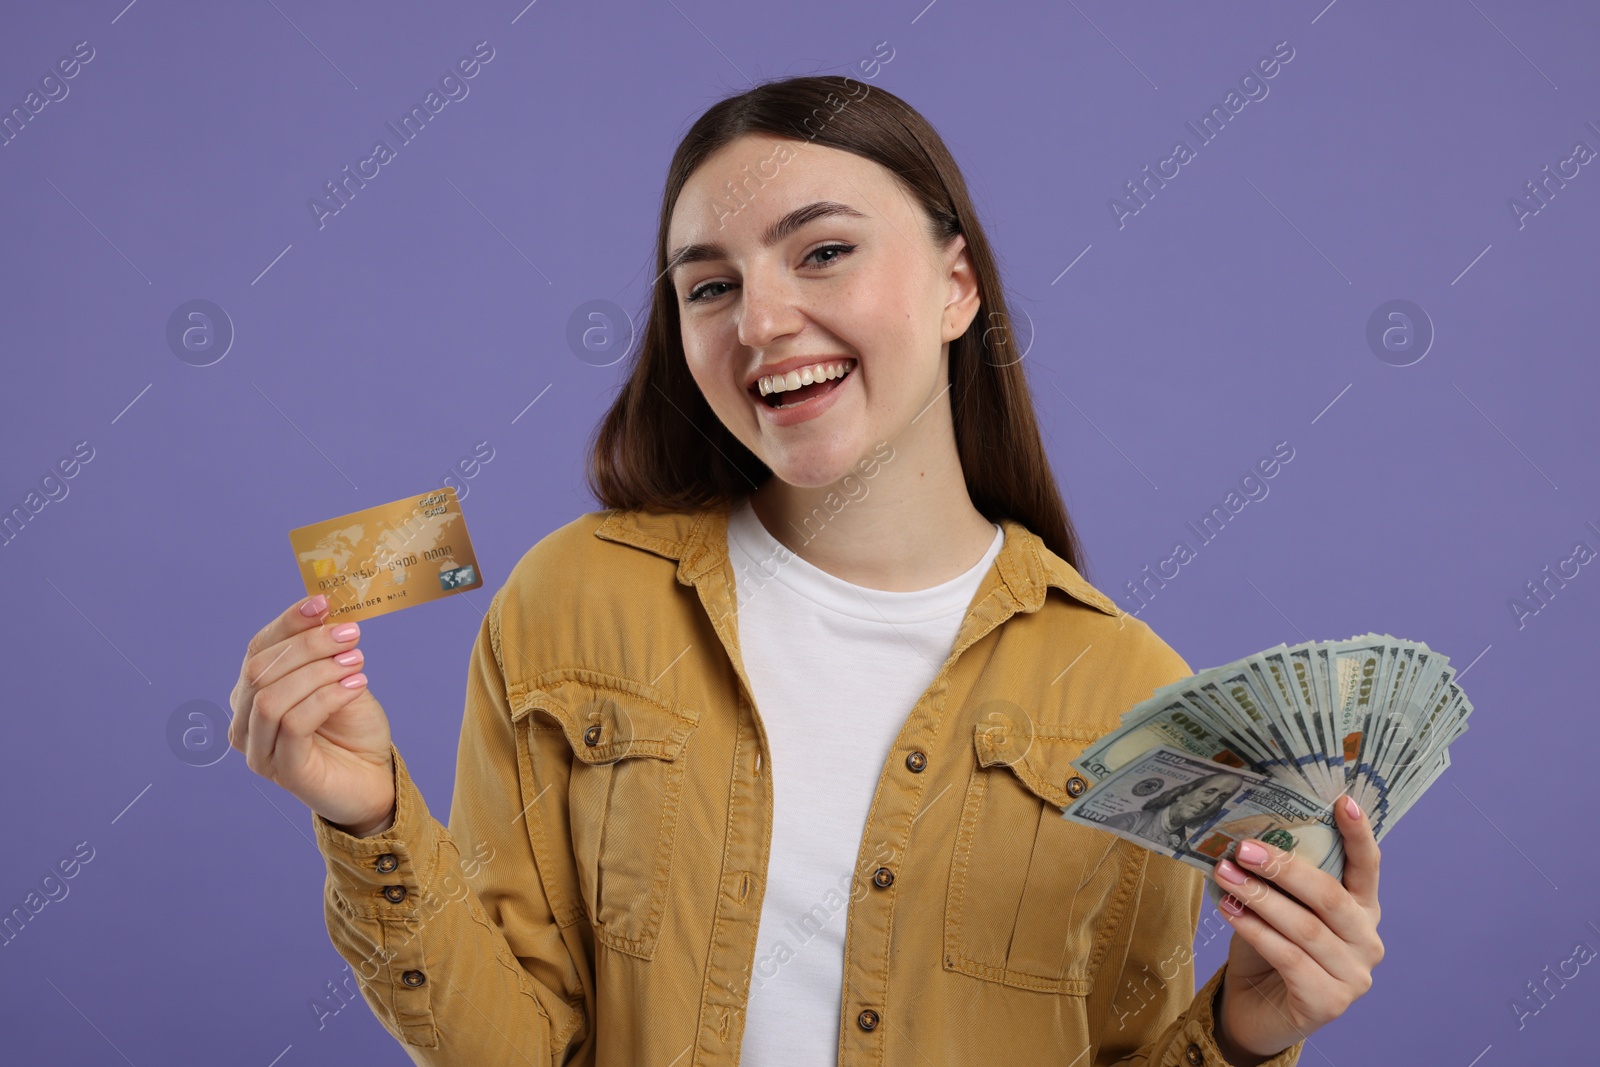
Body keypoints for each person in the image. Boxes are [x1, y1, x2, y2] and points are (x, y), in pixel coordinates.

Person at [229, 75, 1382, 1066]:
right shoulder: (571, 601)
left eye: (823, 251)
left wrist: (1248, 1031)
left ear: (956, 285)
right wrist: (371, 814)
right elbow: (518, 1041)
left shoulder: (1129, 690)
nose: (761, 321)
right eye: (709, 285)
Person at [1103, 772, 1246, 853]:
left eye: (1221, 798)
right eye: (1209, 792)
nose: (1209, 801)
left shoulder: (1184, 849)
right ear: (1184, 793)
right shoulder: (1128, 822)